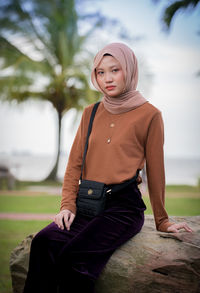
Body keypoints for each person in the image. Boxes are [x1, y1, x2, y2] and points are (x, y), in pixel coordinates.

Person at [23, 42, 192, 293]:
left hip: (123, 209)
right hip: (87, 203)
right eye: (100, 72)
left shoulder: (150, 115)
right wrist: (67, 205)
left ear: (129, 70)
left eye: (115, 70)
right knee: (44, 242)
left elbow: (155, 172)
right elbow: (74, 165)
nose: (107, 79)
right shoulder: (90, 112)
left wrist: (163, 220)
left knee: (75, 259)